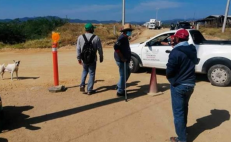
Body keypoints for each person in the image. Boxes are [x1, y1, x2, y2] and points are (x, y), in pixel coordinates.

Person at [166, 29, 198, 142]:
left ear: (177, 38)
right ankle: (183, 130)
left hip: (179, 85)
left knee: (178, 112)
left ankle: (182, 138)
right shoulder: (192, 49)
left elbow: (170, 69)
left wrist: (170, 78)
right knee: (184, 108)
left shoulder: (176, 52)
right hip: (190, 84)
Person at [77, 23, 103, 95]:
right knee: (91, 73)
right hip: (93, 59)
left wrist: (79, 58)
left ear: (85, 29)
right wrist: (101, 56)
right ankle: (89, 90)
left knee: (84, 71)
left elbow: (78, 49)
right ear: (91, 29)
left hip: (84, 59)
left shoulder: (80, 37)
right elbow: (99, 48)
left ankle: (82, 84)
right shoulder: (96, 37)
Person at [114, 23, 133, 96]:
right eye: (128, 30)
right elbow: (116, 48)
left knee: (127, 72)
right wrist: (122, 57)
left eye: (130, 30)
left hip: (126, 59)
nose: (130, 32)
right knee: (123, 75)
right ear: (125, 31)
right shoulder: (122, 38)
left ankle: (119, 85)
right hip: (121, 60)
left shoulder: (125, 37)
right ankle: (120, 91)